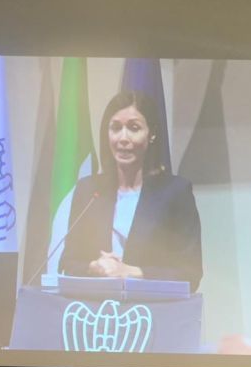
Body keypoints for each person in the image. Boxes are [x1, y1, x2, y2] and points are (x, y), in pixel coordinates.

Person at [59, 91, 202, 292]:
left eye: (134, 128)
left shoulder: (176, 192)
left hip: (152, 307)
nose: (123, 138)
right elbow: (68, 263)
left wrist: (131, 272)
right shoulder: (88, 190)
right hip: (97, 306)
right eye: (116, 128)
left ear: (152, 134)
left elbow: (190, 273)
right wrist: (94, 267)